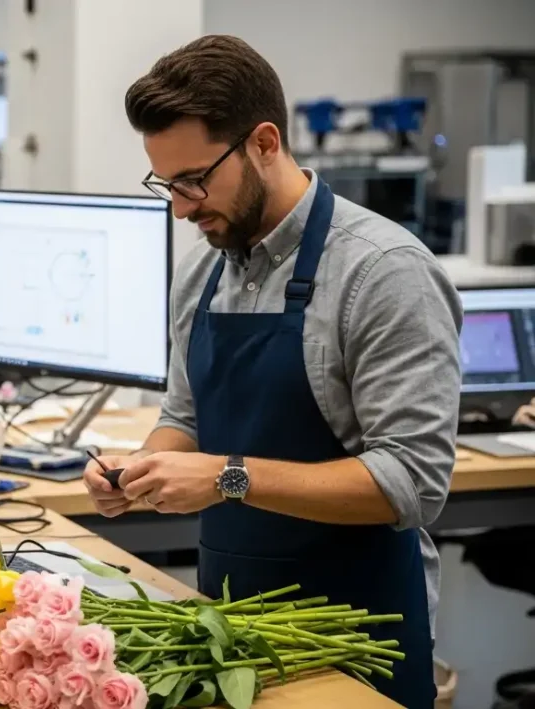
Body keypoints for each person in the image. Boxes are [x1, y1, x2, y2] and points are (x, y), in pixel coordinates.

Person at [85, 35, 460, 708]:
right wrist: (140, 470)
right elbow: (185, 417)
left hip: (354, 635)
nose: (180, 205)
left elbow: (411, 482)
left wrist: (228, 476)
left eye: (195, 179)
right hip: (227, 620)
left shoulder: (382, 271)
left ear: (264, 142)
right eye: (167, 184)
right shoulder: (202, 269)